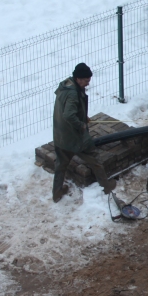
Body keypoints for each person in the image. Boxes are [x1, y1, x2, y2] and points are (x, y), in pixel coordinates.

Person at [52, 63, 116, 202]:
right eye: (86, 80)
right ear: (78, 78)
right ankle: (106, 186)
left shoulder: (65, 85)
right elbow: (69, 115)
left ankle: (56, 193)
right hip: (74, 136)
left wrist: (82, 116)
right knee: (95, 159)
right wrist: (81, 124)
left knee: (61, 165)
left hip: (60, 134)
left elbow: (67, 109)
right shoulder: (73, 94)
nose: (88, 83)